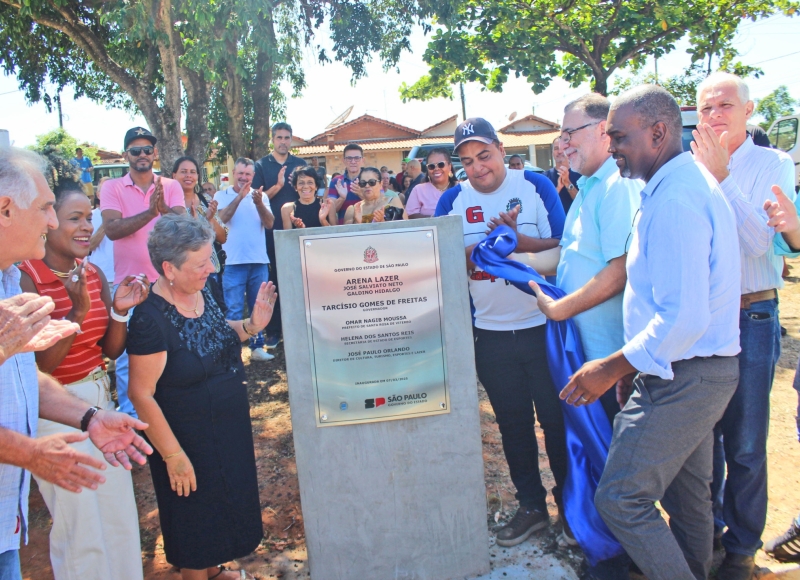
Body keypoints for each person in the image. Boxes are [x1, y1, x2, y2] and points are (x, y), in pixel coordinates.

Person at [558, 85, 740, 580]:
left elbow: (683, 318)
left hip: (687, 375)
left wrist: (612, 364)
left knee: (620, 498)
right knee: (687, 500)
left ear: (658, 132)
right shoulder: (671, 187)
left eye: (618, 135)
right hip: (682, 369)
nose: (612, 144)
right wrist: (635, 368)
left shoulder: (678, 198)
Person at [0, 146, 152, 580]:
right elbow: (41, 364)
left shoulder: (22, 277)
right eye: (51, 210)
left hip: (91, 405)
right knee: (82, 533)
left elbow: (28, 374)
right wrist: (30, 451)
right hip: (52, 428)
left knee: (119, 520)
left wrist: (90, 416)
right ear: (7, 209)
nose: (54, 222)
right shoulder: (26, 277)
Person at [521, 95, 641, 575]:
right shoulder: (590, 188)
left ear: (604, 129)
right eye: (562, 134)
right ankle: (604, 549)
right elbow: (568, 257)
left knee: (614, 471)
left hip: (608, 361)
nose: (563, 143)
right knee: (595, 464)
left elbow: (620, 269)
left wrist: (559, 307)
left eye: (571, 133)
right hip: (583, 355)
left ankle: (617, 558)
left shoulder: (616, 187)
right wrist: (514, 264)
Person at [434, 118, 568, 548]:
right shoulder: (452, 200)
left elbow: (570, 249)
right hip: (489, 334)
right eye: (467, 161)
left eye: (484, 155)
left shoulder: (536, 186)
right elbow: (437, 263)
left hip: (544, 327)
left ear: (499, 147)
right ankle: (530, 505)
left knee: (557, 422)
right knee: (513, 426)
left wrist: (519, 243)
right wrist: (477, 251)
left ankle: (571, 506)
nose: (477, 168)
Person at [690, 72, 795, 580]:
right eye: (706, 108)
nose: (714, 116)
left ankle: (742, 548)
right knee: (702, 437)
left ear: (748, 111)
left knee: (747, 443)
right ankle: (705, 533)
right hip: (702, 318)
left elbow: (759, 244)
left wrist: (722, 178)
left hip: (752, 313)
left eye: (725, 106)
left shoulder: (771, 164)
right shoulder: (686, 167)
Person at [127, 215, 272, 580]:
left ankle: (215, 570)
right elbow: (140, 394)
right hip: (186, 442)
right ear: (168, 269)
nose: (211, 268)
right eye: (202, 263)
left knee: (220, 513)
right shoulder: (149, 320)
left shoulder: (202, 291)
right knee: (195, 527)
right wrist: (174, 456)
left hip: (225, 434)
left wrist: (252, 325)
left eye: (211, 258)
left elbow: (217, 336)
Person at [100, 126, 186, 418]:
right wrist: (150, 213)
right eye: (135, 150)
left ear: (155, 154)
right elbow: (112, 229)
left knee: (175, 347)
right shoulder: (112, 188)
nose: (142, 155)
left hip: (167, 282)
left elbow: (183, 223)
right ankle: (130, 418)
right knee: (128, 357)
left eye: (147, 150)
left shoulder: (170, 186)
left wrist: (161, 208)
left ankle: (170, 409)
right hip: (130, 286)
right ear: (126, 155)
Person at [252, 122, 308, 350]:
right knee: (274, 282)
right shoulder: (262, 165)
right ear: (272, 139)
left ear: (291, 139)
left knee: (300, 280)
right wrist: (278, 186)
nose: (283, 141)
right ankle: (273, 331)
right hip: (270, 232)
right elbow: (256, 197)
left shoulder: (300, 164)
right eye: (279, 137)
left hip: (298, 230)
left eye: (287, 137)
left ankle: (301, 329)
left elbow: (309, 190)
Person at [214, 158, 275, 362]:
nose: (243, 177)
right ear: (233, 173)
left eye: (248, 174)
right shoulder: (221, 195)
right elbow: (222, 218)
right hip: (232, 262)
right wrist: (240, 197)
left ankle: (257, 347)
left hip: (258, 261)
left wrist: (258, 203)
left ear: (253, 176)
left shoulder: (261, 196)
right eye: (240, 173)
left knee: (258, 306)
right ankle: (233, 351)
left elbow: (269, 224)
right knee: (234, 308)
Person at [173, 157, 228, 277]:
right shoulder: (167, 204)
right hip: (181, 272)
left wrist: (210, 219)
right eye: (183, 171)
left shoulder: (206, 200)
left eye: (192, 172)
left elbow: (223, 238)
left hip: (210, 272)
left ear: (197, 176)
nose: (188, 175)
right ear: (174, 175)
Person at [343, 167, 407, 224]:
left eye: (372, 182)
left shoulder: (392, 201)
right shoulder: (353, 210)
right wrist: (358, 223)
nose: (367, 186)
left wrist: (382, 222)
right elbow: (347, 235)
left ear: (380, 183)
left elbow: (406, 228)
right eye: (363, 183)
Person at [406, 148, 457, 218]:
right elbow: (411, 216)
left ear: (449, 166)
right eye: (431, 166)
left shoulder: (460, 188)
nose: (436, 168)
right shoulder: (418, 190)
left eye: (441, 164)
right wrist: (434, 219)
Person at [329, 143, 365, 223]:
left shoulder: (371, 180)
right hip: (344, 231)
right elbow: (331, 212)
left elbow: (380, 204)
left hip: (367, 227)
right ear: (344, 161)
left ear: (363, 160)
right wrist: (342, 198)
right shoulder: (336, 181)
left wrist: (362, 194)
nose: (353, 161)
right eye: (349, 158)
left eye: (357, 158)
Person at [544, 138, 581, 214]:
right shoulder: (545, 177)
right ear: (552, 153)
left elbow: (582, 202)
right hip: (554, 224)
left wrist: (567, 183)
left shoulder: (580, 175)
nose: (560, 151)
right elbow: (543, 205)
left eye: (563, 148)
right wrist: (557, 189)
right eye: (556, 148)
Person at [89, 177, 115, 290]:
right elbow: (89, 246)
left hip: (126, 276)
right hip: (101, 276)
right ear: (98, 195)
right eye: (106, 191)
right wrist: (108, 221)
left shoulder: (127, 214)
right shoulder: (89, 216)